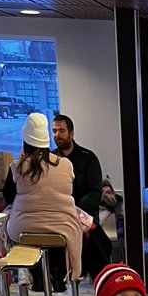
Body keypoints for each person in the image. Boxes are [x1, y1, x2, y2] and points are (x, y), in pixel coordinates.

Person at [4, 113, 82, 292]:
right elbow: (76, 194)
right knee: (57, 233)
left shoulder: (17, 166)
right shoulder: (65, 165)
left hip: (23, 229)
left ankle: (35, 275)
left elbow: (8, 196)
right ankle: (59, 274)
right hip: (63, 228)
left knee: (26, 233)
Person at [51, 113, 112, 280]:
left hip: (85, 216)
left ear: (71, 133)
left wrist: (75, 211)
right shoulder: (50, 159)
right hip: (59, 217)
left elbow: (95, 192)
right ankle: (57, 277)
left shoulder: (88, 158)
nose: (57, 135)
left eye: (61, 131)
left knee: (96, 248)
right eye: (54, 131)